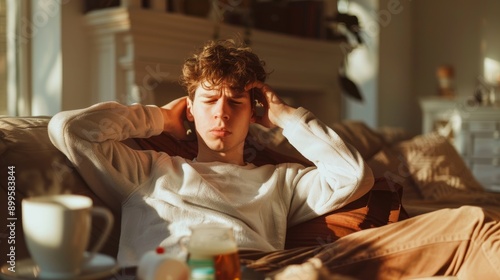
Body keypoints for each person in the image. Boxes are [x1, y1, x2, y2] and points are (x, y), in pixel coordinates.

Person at [48, 40, 500, 279]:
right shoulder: (147, 171)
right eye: (209, 101)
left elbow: (352, 177)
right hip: (180, 271)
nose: (222, 112)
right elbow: (71, 131)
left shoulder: (279, 180)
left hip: (271, 270)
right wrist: (157, 120)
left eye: (236, 103)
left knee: (473, 224)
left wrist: (286, 117)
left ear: (254, 113)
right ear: (190, 105)